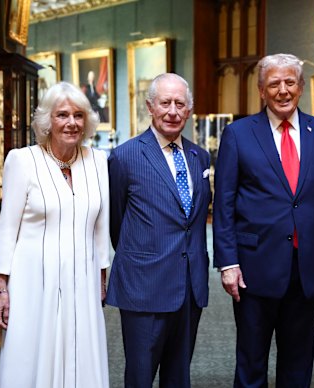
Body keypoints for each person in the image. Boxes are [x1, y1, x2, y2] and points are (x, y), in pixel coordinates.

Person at [213, 53, 314, 387]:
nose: (283, 90)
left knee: (298, 362)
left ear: (301, 87)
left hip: (308, 267)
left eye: (290, 82)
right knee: (251, 361)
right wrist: (228, 262)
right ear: (262, 90)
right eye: (274, 83)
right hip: (254, 268)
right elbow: (224, 203)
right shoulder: (238, 134)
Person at [0, 81, 110, 387]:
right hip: (34, 282)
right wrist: (1, 290)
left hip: (83, 280)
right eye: (62, 115)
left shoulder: (98, 161)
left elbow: (100, 227)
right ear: (47, 121)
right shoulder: (22, 160)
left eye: (79, 115)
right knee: (31, 356)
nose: (72, 122)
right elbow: (6, 229)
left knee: (81, 354)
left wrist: (102, 278)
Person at [106, 73, 212, 387]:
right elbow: (117, 222)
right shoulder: (124, 157)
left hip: (189, 287)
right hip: (144, 286)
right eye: (165, 103)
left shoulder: (199, 156)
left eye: (180, 104)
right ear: (150, 107)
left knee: (178, 377)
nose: (172, 111)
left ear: (189, 110)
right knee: (140, 377)